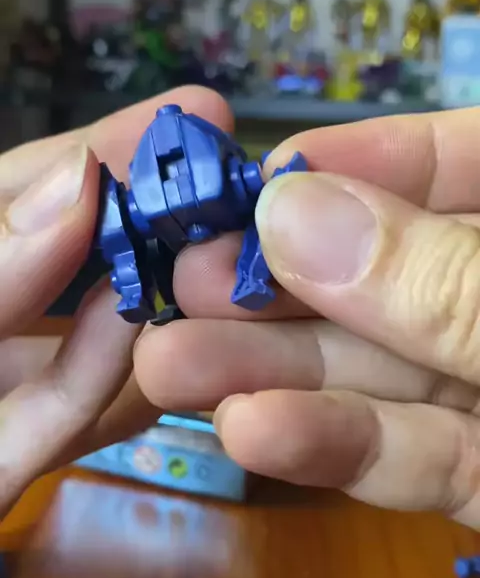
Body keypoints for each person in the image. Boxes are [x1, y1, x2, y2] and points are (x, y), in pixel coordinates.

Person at [1, 85, 480, 531]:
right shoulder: (143, 208)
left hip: (242, 236)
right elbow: (131, 254)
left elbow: (275, 189)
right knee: (182, 341)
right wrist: (136, 289)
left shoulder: (246, 186)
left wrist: (258, 267)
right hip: (185, 259)